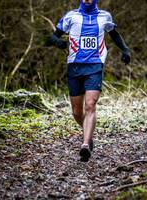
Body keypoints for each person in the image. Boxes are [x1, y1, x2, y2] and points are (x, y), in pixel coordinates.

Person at [46, 0, 131, 162]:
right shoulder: (71, 16)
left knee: (90, 105)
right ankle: (89, 136)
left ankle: (85, 145)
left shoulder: (105, 16)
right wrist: (57, 42)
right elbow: (52, 37)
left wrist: (125, 50)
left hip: (95, 66)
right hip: (74, 67)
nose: (87, 0)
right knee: (77, 112)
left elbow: (114, 34)